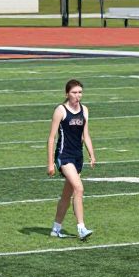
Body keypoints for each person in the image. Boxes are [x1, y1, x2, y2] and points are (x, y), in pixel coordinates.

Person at [48, 79, 96, 240]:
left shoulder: (84, 110)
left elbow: (85, 135)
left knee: (66, 195)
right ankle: (81, 228)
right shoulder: (60, 110)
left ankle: (56, 228)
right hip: (64, 155)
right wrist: (50, 163)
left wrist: (91, 154)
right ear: (67, 93)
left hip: (77, 156)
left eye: (80, 92)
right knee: (79, 188)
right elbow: (51, 138)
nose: (77, 95)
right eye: (74, 92)